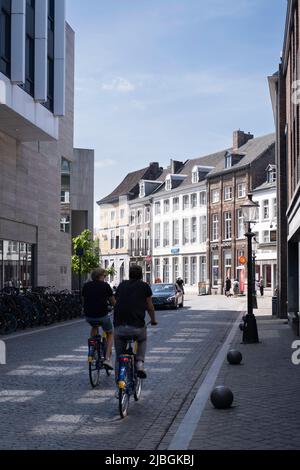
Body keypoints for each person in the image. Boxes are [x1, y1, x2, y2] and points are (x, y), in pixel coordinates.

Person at [113, 265, 157, 379]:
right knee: (142, 339)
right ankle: (139, 362)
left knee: (119, 356)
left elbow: (117, 301)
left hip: (119, 327)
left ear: (129, 274)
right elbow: (150, 307)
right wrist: (153, 320)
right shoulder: (145, 286)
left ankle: (119, 383)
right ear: (141, 275)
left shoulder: (121, 285)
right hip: (137, 327)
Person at [82, 268, 116, 370]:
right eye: (104, 276)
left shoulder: (86, 286)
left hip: (89, 316)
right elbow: (113, 302)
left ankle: (92, 348)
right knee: (110, 333)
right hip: (102, 315)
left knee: (94, 326)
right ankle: (107, 359)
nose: (105, 278)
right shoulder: (105, 286)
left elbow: (83, 301)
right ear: (100, 276)